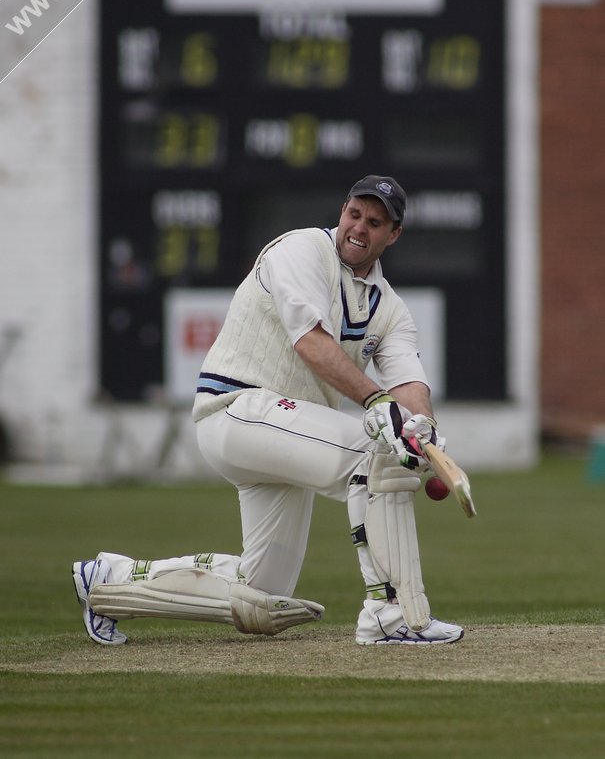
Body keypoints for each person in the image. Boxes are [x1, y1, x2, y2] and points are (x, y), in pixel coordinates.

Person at [72, 175, 464, 646]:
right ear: (342, 210)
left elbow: (408, 383)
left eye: (375, 222)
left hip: (286, 437)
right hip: (237, 409)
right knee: (374, 453)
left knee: (262, 592)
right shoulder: (300, 251)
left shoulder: (389, 308)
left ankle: (109, 580)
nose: (359, 228)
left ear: (393, 234)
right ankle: (392, 613)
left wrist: (421, 428)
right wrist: (379, 405)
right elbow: (311, 343)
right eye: (354, 214)